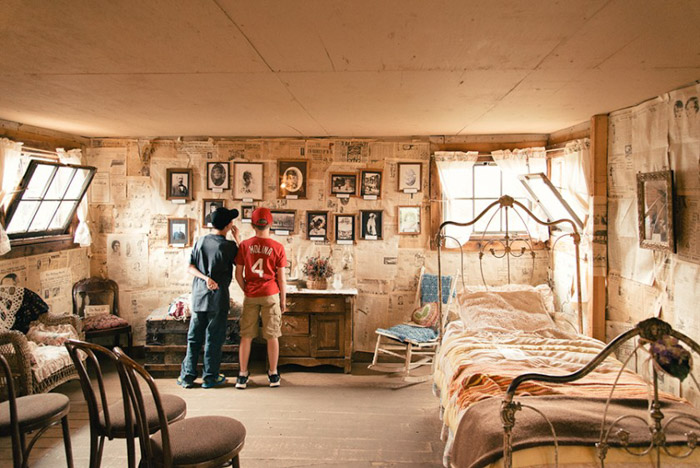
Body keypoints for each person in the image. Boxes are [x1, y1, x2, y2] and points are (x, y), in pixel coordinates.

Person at [177, 207, 240, 389]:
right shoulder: (229, 247)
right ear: (229, 225)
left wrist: (205, 278)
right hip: (218, 299)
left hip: (198, 297)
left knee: (194, 337)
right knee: (214, 338)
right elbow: (243, 262)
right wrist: (237, 239)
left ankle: (188, 377)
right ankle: (209, 378)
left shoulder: (201, 241)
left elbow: (190, 267)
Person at [234, 207, 287, 389]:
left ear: (252, 224)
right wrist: (283, 300)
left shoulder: (244, 245)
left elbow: (238, 275)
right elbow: (281, 278)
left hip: (251, 294)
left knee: (246, 336)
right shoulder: (278, 247)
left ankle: (242, 375)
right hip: (270, 294)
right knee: (272, 336)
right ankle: (273, 373)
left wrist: (246, 289)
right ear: (270, 224)